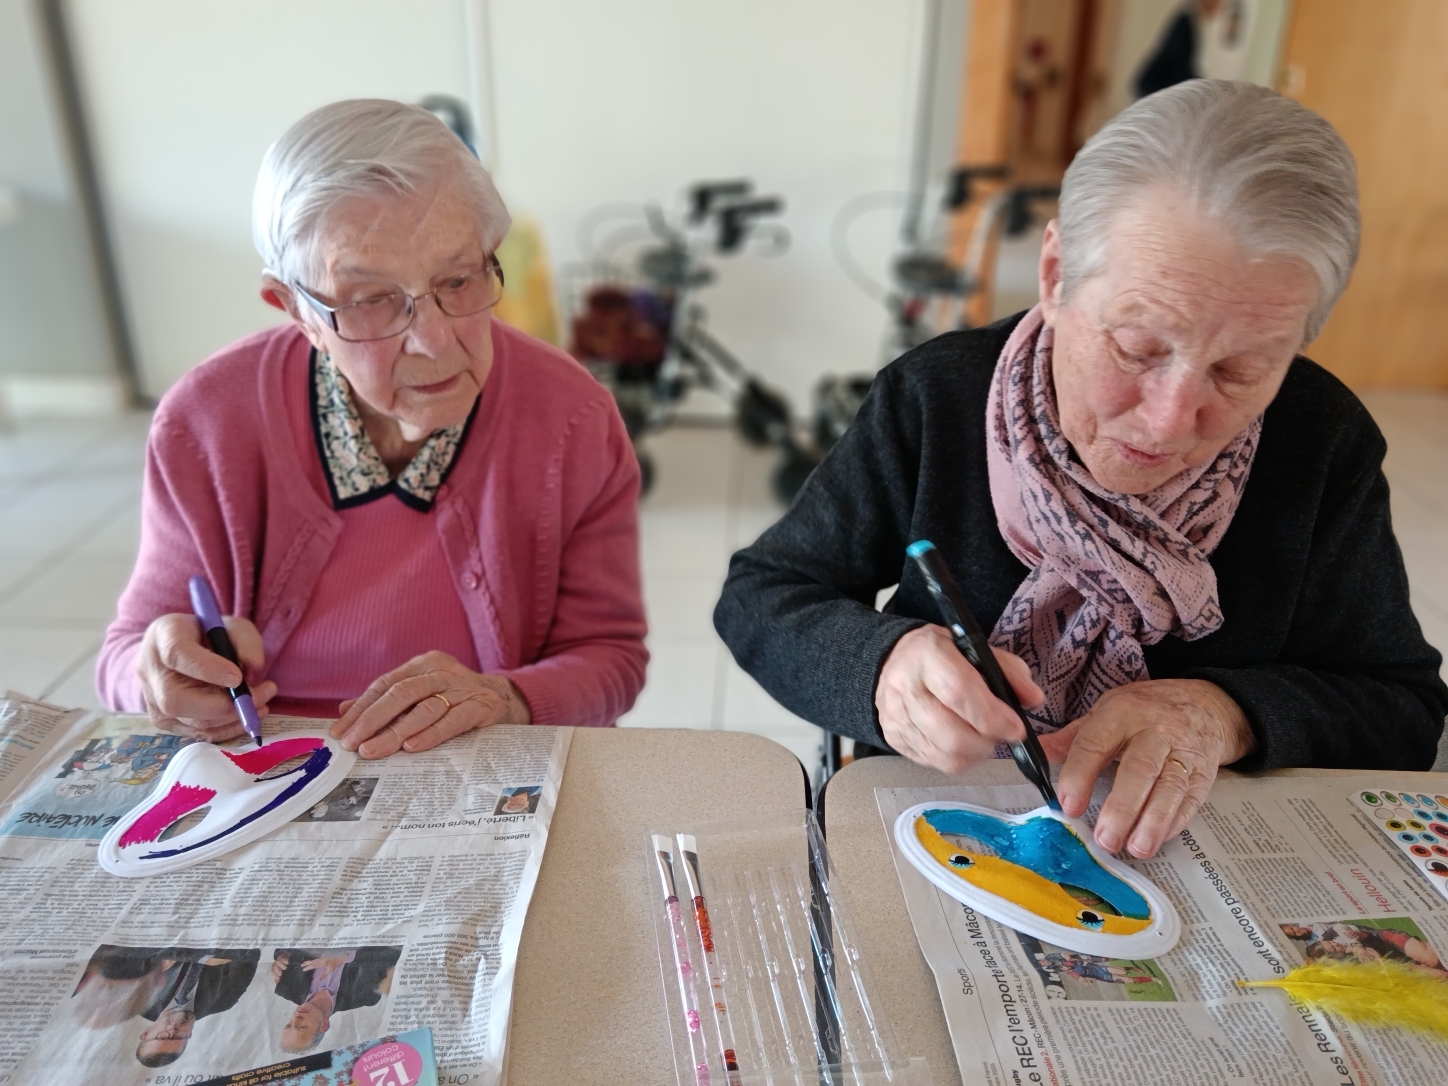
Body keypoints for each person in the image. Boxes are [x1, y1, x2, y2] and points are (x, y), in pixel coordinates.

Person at [715, 81, 1448, 861]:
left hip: (1194, 856)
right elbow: (764, 597)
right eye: (1137, 348)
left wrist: (1225, 714)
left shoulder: (1319, 439)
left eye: (1239, 372)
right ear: (1057, 272)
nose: (1169, 420)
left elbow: (1400, 707)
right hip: (939, 823)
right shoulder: (938, 397)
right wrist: (881, 667)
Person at [98, 100, 647, 759]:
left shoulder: (570, 419)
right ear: (294, 309)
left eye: (459, 278)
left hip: (479, 771)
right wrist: (156, 675)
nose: (435, 339)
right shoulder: (206, 423)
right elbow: (127, 656)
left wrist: (507, 699)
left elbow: (610, 657)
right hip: (265, 769)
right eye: (369, 300)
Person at [69, 945, 259, 1066]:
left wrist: (181, 954)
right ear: (189, 1036)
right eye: (178, 1036)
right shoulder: (224, 1000)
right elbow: (249, 951)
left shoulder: (138, 997)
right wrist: (192, 956)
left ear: (146, 1033)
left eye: (161, 1036)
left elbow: (134, 948)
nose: (173, 1029)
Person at [273, 946, 401, 1052]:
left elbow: (288, 943)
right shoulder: (365, 997)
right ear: (324, 1025)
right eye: (302, 1027)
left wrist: (281, 956)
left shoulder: (287, 987)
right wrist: (344, 958)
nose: (296, 1018)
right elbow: (394, 955)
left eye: (289, 1024)